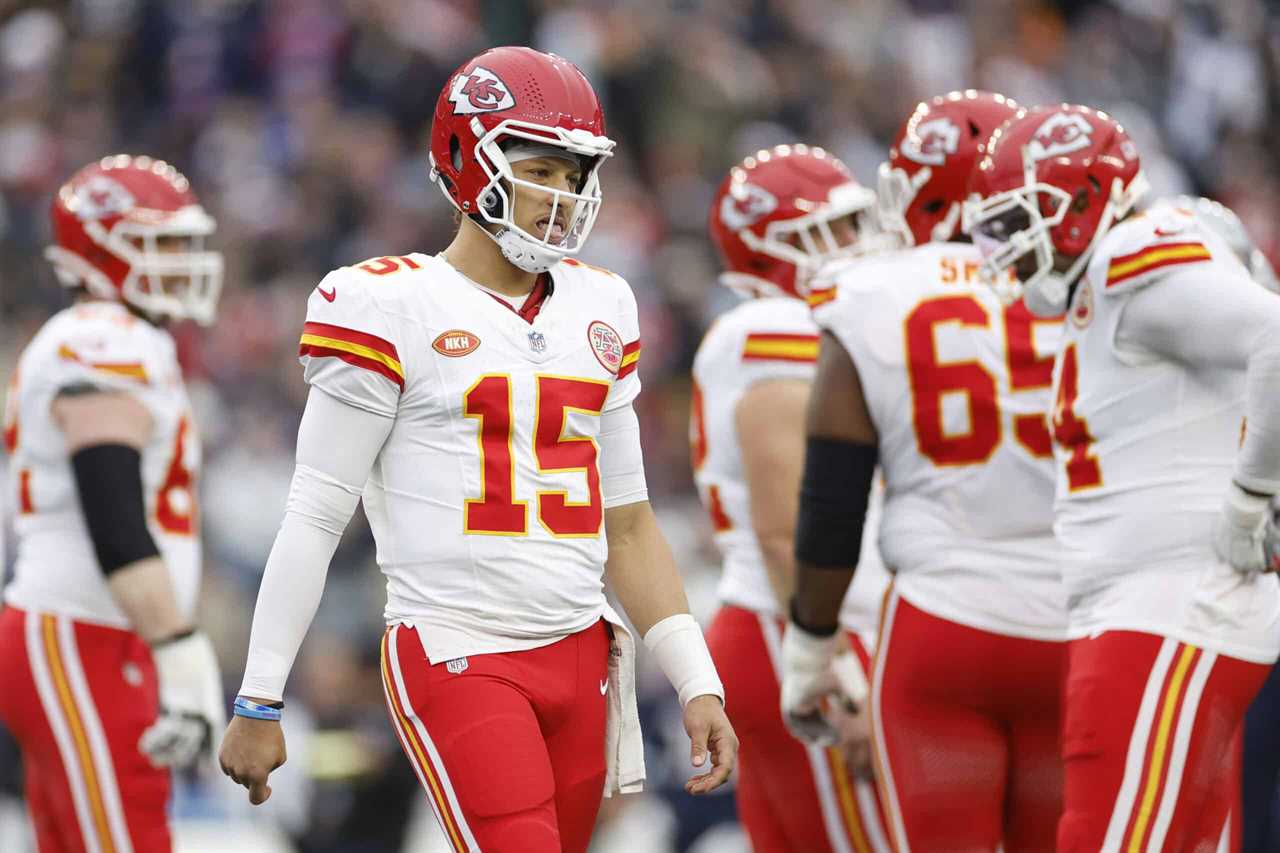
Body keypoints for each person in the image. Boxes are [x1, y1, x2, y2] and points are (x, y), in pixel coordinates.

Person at [217, 46, 737, 853]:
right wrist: (260, 696)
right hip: (458, 644)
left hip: (580, 651)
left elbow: (628, 525)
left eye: (575, 174)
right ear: (467, 159)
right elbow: (317, 511)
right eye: (541, 168)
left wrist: (696, 677)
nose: (561, 196)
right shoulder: (386, 303)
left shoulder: (601, 306)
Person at [964, 103, 1280, 853]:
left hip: (1171, 607)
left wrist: (1251, 494)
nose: (1011, 246)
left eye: (1024, 218)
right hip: (1139, 610)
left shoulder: (1136, 250)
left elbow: (1274, 337)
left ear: (1084, 197)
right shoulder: (1096, 286)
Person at [781, 91, 1070, 853]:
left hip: (944, 627)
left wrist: (811, 646)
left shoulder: (872, 293)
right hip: (1082, 622)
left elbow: (832, 497)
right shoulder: (1088, 282)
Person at [0, 154, 227, 852]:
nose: (183, 261)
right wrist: (182, 650)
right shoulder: (102, 338)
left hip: (93, 631)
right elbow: (114, 515)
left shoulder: (120, 338)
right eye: (161, 242)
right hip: (81, 630)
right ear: (101, 246)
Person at [693, 144, 893, 853]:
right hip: (794, 627)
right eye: (832, 229)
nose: (855, 243)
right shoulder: (771, 329)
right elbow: (788, 526)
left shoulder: (780, 330)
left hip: (783, 624)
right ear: (774, 246)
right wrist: (834, 670)